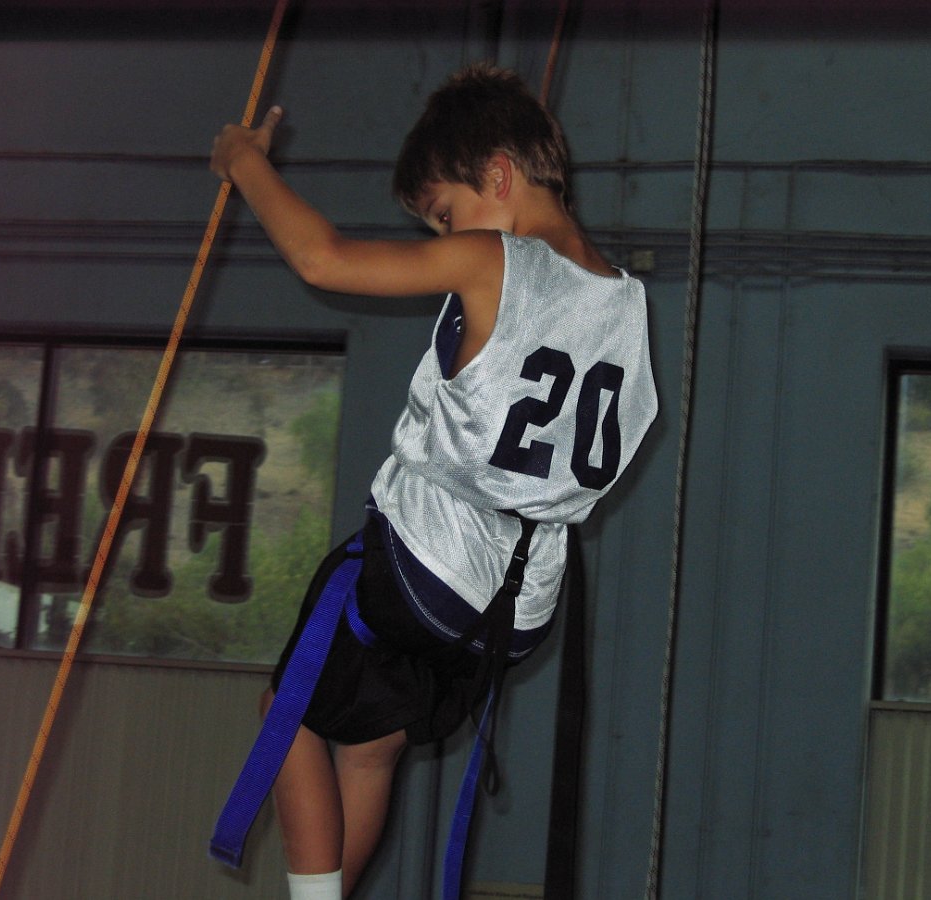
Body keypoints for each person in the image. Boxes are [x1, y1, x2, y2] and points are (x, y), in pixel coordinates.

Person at [210, 63, 657, 900]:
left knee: (288, 707)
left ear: (499, 175)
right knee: (372, 742)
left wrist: (244, 161)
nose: (445, 237)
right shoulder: (627, 303)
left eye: (445, 215)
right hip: (518, 611)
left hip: (429, 562)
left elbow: (322, 258)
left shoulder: (496, 262)